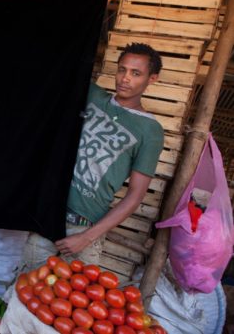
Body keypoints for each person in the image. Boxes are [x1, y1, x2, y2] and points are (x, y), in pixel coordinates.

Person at [24, 43, 164, 267]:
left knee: (74, 299)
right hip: (49, 214)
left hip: (85, 228)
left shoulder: (150, 131)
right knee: (26, 291)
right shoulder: (92, 95)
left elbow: (135, 196)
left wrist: (86, 238)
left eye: (135, 73)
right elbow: (62, 68)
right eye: (122, 69)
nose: (125, 78)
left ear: (152, 79)